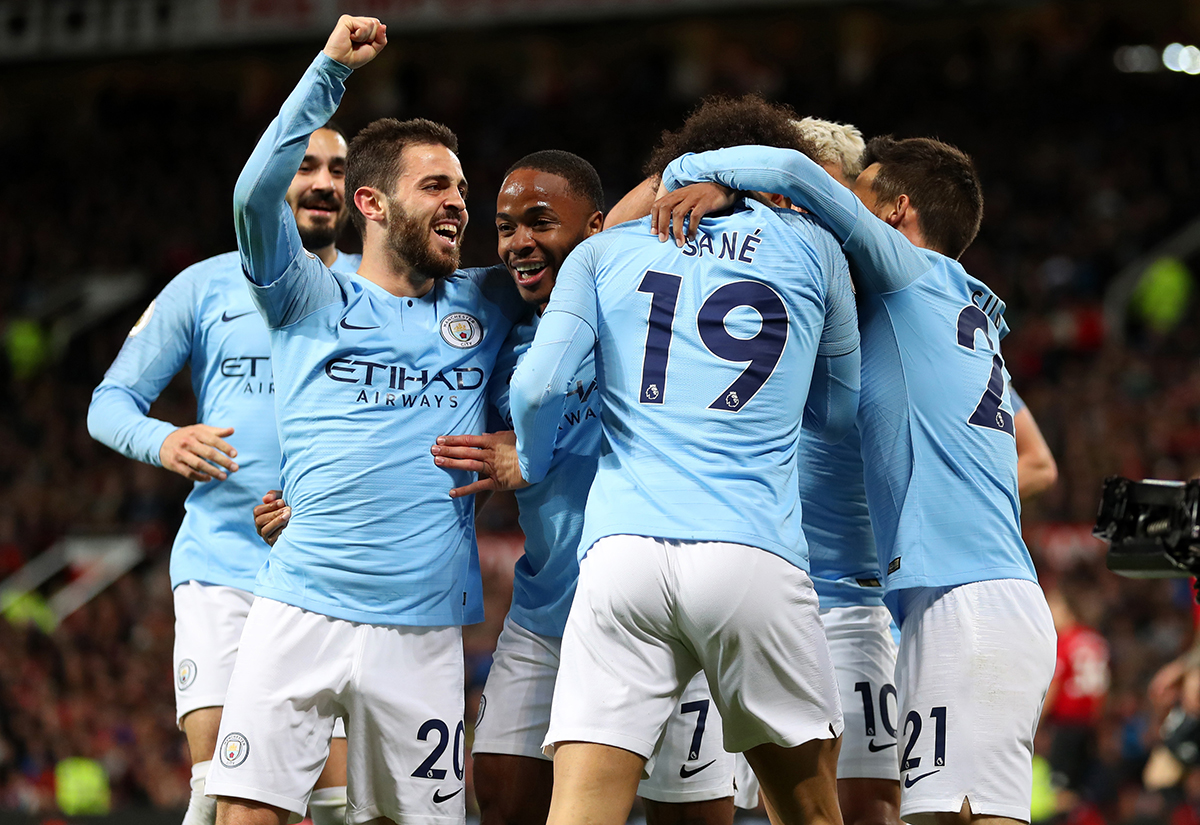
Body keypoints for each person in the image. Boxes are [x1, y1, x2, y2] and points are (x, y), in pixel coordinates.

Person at [653, 135, 1057, 825]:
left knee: (962, 816)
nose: (843, 211)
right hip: (954, 597)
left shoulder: (912, 280)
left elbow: (789, 172)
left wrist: (699, 176)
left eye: (860, 193)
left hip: (971, 602)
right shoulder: (953, 303)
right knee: (938, 814)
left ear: (897, 212)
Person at [203, 16, 526, 825]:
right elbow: (252, 194)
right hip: (298, 606)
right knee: (247, 812)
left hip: (421, 630)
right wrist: (329, 71)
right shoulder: (308, 296)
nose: (459, 203)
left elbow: (590, 242)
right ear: (371, 202)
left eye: (460, 188)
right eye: (436, 187)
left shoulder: (487, 302)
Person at [507, 97, 859, 825]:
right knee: (812, 810)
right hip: (752, 551)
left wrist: (535, 461)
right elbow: (839, 410)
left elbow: (538, 387)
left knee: (580, 808)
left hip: (622, 556)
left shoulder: (605, 251)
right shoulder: (817, 248)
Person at [433, 149, 738, 825]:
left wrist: (715, 182)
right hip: (547, 617)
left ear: (599, 229)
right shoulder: (503, 328)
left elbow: (658, 189)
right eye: (506, 226)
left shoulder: (647, 304)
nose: (518, 242)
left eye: (539, 221)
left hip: (663, 613)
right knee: (505, 802)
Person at [86, 124, 359, 825]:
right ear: (271, 179)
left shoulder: (373, 290)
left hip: (329, 569)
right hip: (222, 563)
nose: (321, 181)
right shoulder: (203, 286)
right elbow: (108, 403)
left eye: (336, 168)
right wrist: (164, 439)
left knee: (333, 800)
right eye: (304, 166)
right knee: (217, 785)